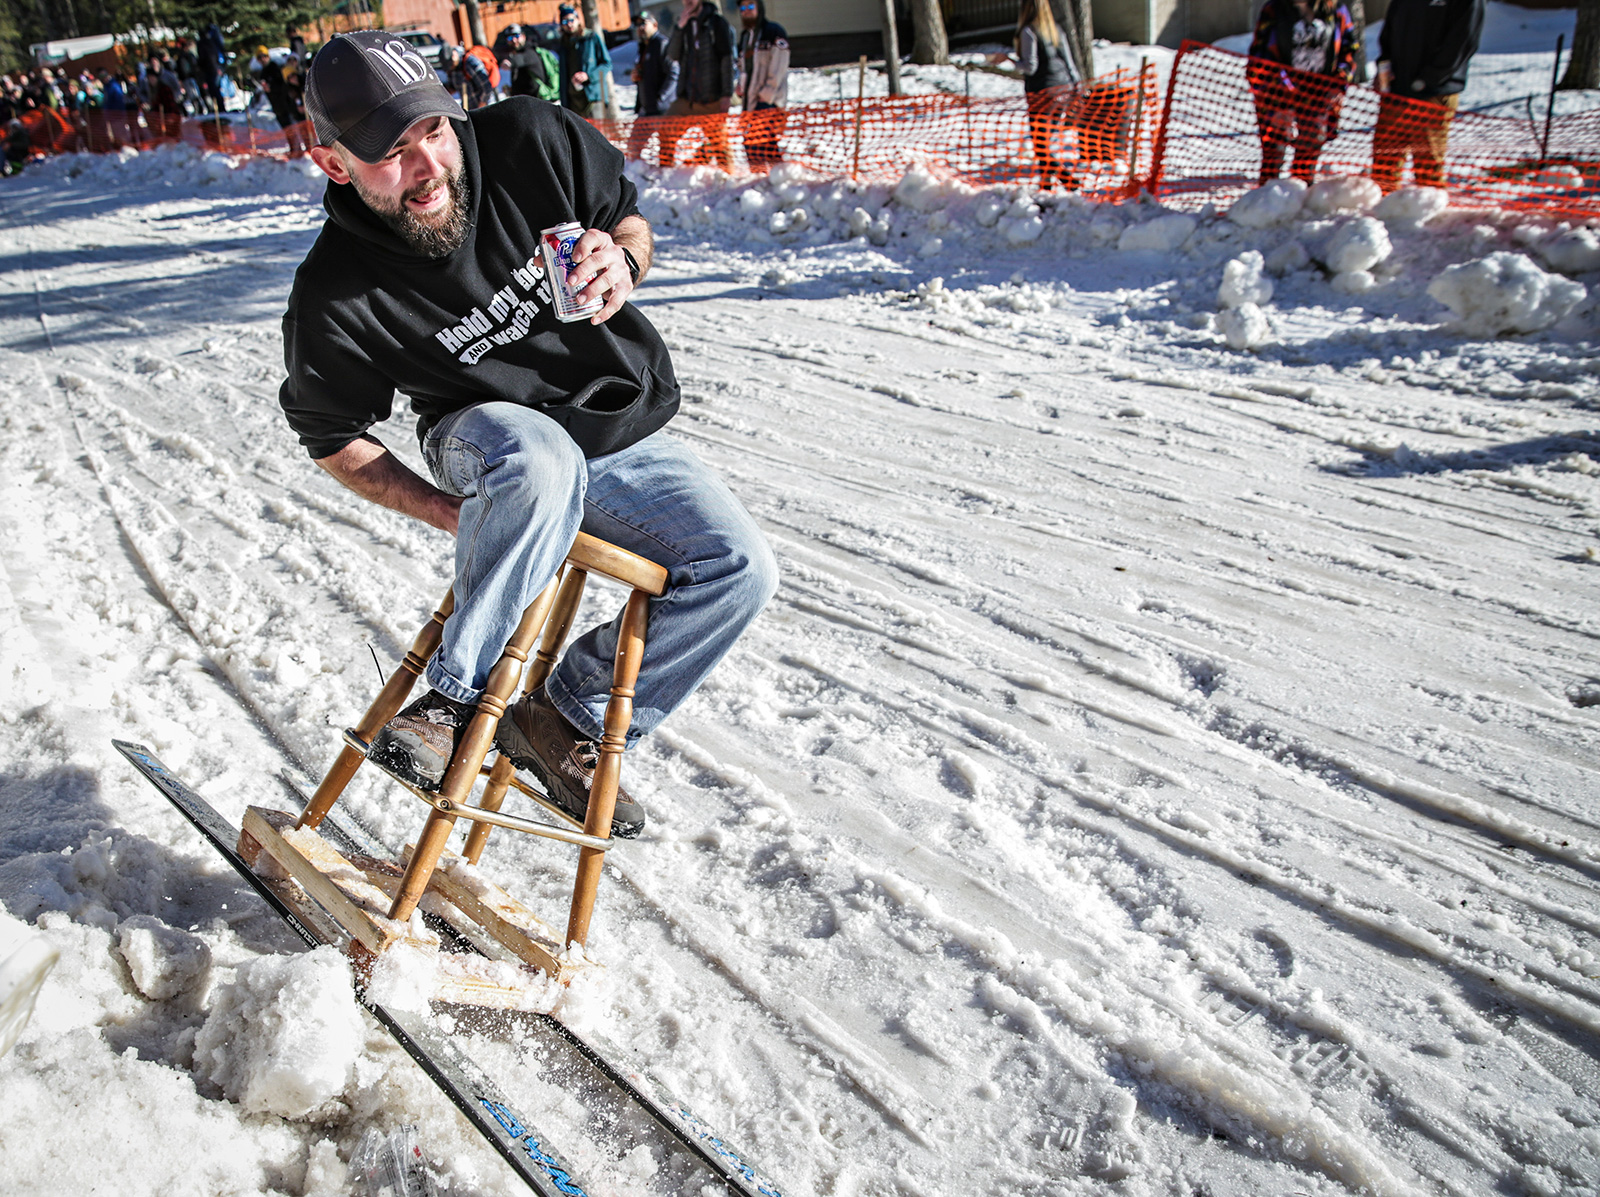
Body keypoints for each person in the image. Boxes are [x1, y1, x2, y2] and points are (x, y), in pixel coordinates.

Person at [280, 31, 776, 837]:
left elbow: (629, 222)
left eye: (432, 131)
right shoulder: (335, 290)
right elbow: (332, 434)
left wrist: (623, 260)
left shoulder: (528, 141)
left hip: (614, 430)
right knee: (537, 460)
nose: (428, 166)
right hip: (484, 430)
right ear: (334, 163)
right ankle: (452, 703)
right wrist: (445, 509)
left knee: (739, 567)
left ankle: (560, 719)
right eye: (390, 152)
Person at [1371, 0, 1484, 192]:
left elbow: (1463, 41)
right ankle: (1382, 213)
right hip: (1396, 88)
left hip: (1434, 93)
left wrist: (1428, 79)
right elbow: (1389, 29)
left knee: (1428, 165)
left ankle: (1427, 216)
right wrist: (1384, 66)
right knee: (1384, 161)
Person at [1247, 0, 1358, 185]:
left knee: (1311, 143)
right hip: (1278, 91)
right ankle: (1266, 201)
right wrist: (1273, 90)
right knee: (1274, 150)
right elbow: (1259, 54)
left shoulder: (1336, 10)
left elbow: (1349, 48)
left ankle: (1301, 193)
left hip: (1319, 92)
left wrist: (1339, 81)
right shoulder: (1273, 10)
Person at [1014, 0, 1081, 190]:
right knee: (1045, 142)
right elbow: (1070, 63)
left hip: (1043, 94)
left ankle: (1068, 180)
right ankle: (1046, 186)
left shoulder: (1028, 31)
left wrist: (1009, 60)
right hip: (1063, 91)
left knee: (1040, 146)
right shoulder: (1056, 30)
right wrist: (1076, 88)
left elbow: (1030, 66)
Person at [662, 0, 734, 169]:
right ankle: (664, 172)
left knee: (720, 146)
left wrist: (727, 94)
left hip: (712, 98)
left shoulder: (717, 23)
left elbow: (727, 60)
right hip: (688, 98)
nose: (687, 1)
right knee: (666, 129)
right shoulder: (684, 25)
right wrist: (680, 27)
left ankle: (729, 180)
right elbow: (672, 56)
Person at [735, 0, 789, 172]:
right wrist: (740, 87)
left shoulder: (773, 31)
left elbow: (779, 65)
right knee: (761, 143)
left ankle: (773, 177)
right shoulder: (745, 37)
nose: (746, 11)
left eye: (750, 6)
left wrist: (767, 93)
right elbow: (744, 68)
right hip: (750, 101)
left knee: (756, 141)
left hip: (768, 100)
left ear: (760, 7)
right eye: (742, 8)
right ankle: (770, 178)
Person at [626, 10, 678, 164]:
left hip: (663, 109)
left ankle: (668, 182)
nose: (640, 27)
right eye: (637, 25)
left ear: (654, 24)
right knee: (633, 147)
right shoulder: (643, 47)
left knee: (667, 153)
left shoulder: (662, 44)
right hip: (647, 108)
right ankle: (640, 176)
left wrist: (660, 98)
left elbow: (674, 73)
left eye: (644, 23)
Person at [557, 3, 611, 117]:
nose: (569, 24)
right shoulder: (563, 44)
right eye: (565, 22)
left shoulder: (591, 38)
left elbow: (606, 64)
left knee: (596, 133)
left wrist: (589, 76)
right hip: (573, 102)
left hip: (593, 98)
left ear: (578, 19)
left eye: (572, 20)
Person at [500, 24, 560, 102]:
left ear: (523, 36)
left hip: (539, 102)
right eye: (510, 38)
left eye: (517, 36)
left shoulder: (530, 52)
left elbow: (521, 59)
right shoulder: (516, 53)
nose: (514, 40)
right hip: (526, 103)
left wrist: (510, 62)